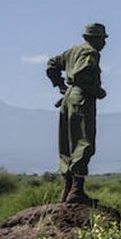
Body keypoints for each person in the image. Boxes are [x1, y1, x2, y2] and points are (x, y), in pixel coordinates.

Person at [46, 22, 108, 204]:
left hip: (68, 98)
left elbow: (51, 64)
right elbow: (82, 74)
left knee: (67, 142)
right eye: (103, 39)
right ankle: (76, 191)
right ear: (95, 39)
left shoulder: (72, 51)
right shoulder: (90, 53)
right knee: (83, 141)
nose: (104, 43)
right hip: (81, 98)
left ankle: (66, 190)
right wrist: (97, 91)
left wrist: (60, 85)